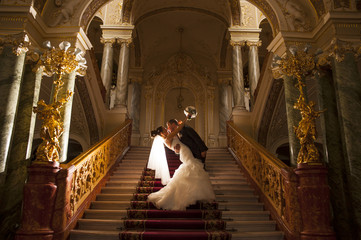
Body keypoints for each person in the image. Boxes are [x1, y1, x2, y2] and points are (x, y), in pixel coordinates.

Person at [147, 115, 215, 211]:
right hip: (185, 154)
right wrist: (186, 117)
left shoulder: (169, 137)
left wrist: (176, 150)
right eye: (165, 129)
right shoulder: (167, 138)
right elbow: (178, 129)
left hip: (184, 152)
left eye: (167, 127)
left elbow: (176, 147)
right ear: (162, 134)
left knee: (191, 171)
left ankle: (193, 194)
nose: (167, 129)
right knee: (192, 168)